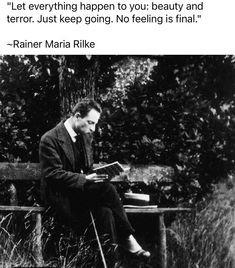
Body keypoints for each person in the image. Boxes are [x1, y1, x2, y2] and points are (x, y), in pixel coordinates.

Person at [39, 99, 150, 263]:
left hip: (80, 196)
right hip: (60, 198)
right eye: (90, 122)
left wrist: (99, 174)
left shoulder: (83, 138)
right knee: (107, 189)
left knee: (105, 212)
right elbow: (52, 174)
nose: (93, 128)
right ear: (77, 116)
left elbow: (86, 169)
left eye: (95, 123)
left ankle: (110, 263)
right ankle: (128, 238)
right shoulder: (50, 139)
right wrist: (85, 178)